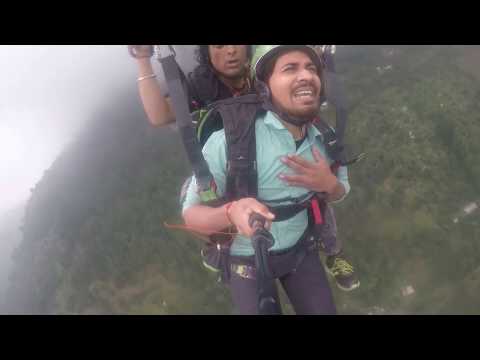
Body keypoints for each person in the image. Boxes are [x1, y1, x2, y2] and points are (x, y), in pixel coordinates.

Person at [181, 45, 353, 314]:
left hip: (300, 250)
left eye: (311, 68)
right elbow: (191, 216)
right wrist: (231, 211)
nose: (306, 76)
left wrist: (330, 185)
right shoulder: (230, 140)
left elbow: (341, 191)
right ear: (265, 87)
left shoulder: (324, 137)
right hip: (246, 258)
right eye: (290, 68)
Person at [128, 45, 253, 127]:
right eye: (220, 45)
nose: (231, 50)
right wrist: (142, 57)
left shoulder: (264, 72)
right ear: (207, 53)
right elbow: (160, 115)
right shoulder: (202, 86)